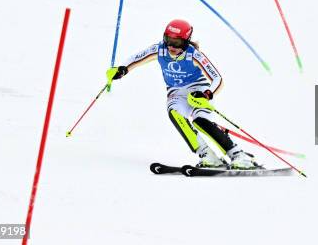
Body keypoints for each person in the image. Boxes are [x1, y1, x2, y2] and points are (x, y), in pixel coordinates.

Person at [106, 19, 260, 170]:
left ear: (186, 42)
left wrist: (207, 94)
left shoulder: (194, 55)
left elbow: (217, 79)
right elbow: (136, 58)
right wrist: (122, 70)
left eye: (177, 43)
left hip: (197, 91)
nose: (171, 46)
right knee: (175, 114)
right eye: (168, 40)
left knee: (200, 121)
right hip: (176, 93)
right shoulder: (159, 49)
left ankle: (239, 155)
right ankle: (207, 154)